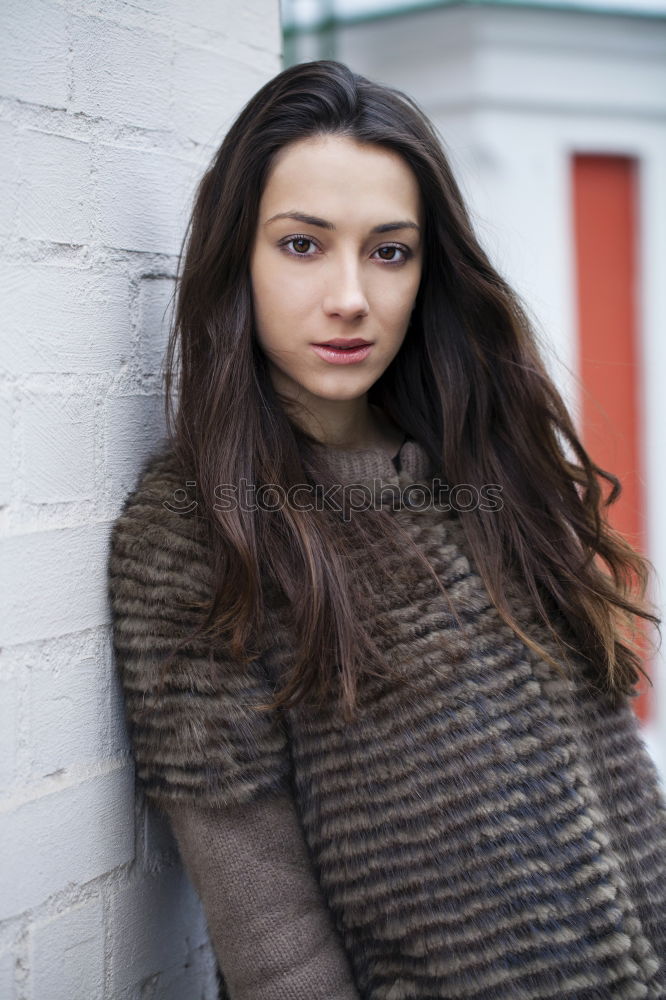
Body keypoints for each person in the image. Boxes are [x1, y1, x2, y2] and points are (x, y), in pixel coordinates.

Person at [107, 59, 666, 999]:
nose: (351, 297)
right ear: (236, 254)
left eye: (389, 250)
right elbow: (273, 942)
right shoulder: (196, 537)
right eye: (302, 245)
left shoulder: (483, 464)